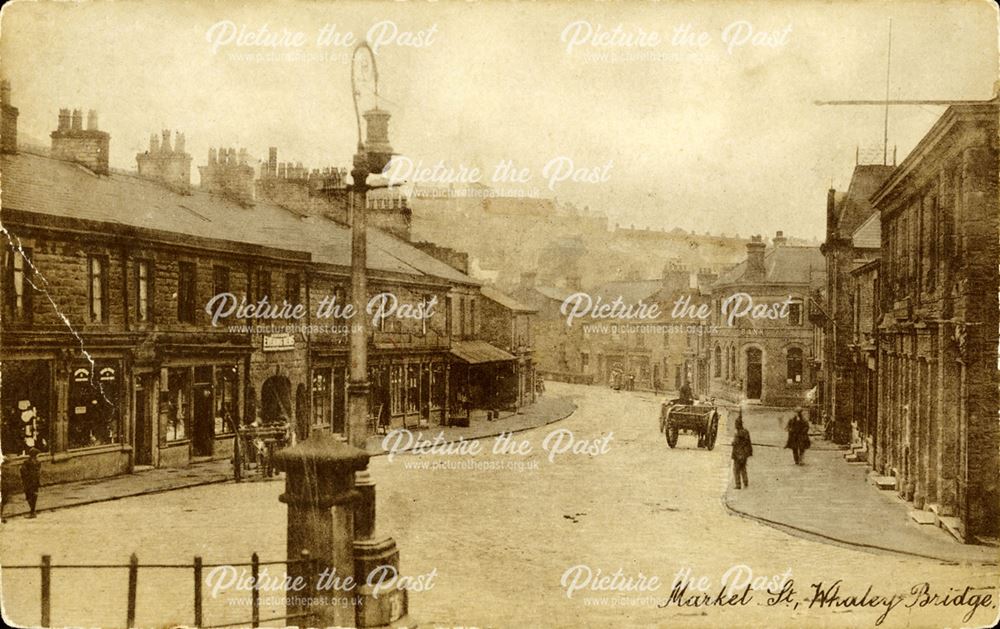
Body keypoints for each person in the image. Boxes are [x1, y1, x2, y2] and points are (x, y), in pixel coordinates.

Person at [731, 414, 752, 489]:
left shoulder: (738, 434)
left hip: (738, 454)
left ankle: (738, 485)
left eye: (736, 424)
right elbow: (748, 443)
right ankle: (745, 482)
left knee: (736, 470)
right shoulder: (746, 432)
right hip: (745, 454)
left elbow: (735, 443)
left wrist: (732, 443)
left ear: (737, 425)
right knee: (743, 468)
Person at [20, 447, 41, 518]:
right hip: (32, 481)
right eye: (36, 455)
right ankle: (33, 511)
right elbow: (23, 471)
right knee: (32, 496)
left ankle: (32, 511)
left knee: (30, 496)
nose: (37, 457)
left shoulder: (34, 462)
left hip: (31, 482)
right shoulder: (28, 462)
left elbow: (22, 470)